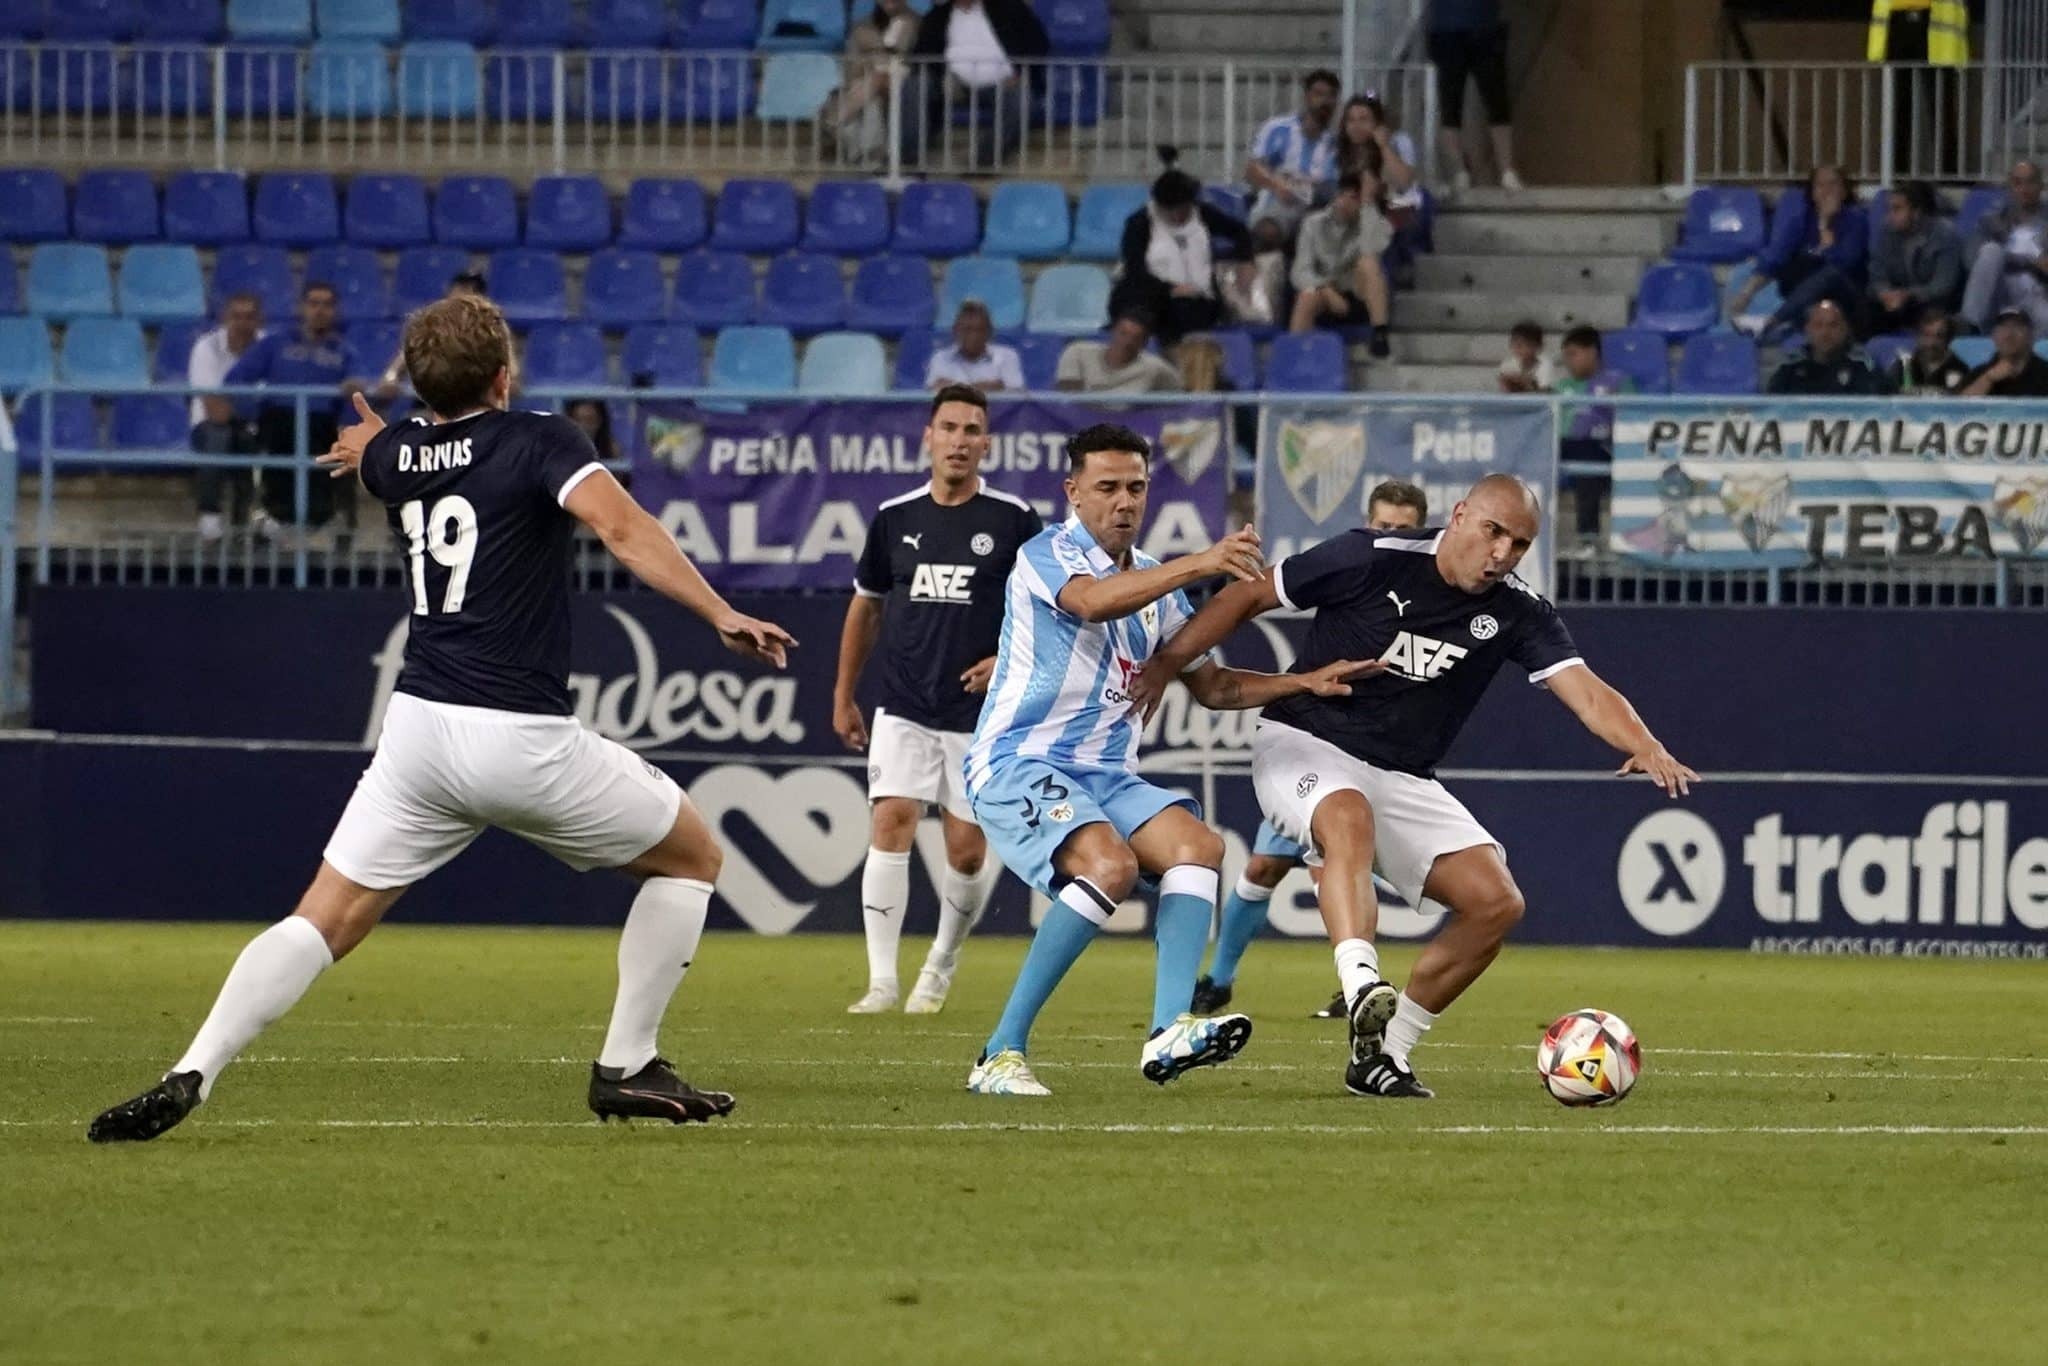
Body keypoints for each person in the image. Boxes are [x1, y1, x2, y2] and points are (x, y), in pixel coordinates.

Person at [87, 293, 798, 1143]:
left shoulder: (398, 459)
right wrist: (718, 612)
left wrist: (369, 440)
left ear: (422, 384)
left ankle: (192, 1069)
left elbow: (385, 449)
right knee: (692, 858)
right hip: (517, 734)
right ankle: (628, 1063)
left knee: (324, 917)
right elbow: (624, 529)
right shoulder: (544, 439)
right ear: (505, 374)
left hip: (419, 735)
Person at [1134, 474, 1697, 1100]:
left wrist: (1642, 742)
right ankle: (1360, 982)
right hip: (1305, 739)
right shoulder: (1369, 556)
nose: (1503, 554)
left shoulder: (1517, 610)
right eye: (1494, 532)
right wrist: (1166, 664)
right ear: (1459, 516)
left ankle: (1381, 1054)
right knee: (1344, 819)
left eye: (1519, 543)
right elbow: (1248, 597)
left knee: (1496, 903)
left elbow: (1585, 690)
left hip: (1401, 774)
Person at [960, 426, 1377, 1096]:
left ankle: (1168, 1030)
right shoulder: (1047, 553)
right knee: (1111, 865)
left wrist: (1302, 682)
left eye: (1136, 487)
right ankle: (999, 1053)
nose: (1124, 502)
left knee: (1199, 847)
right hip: (1018, 760)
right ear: (1073, 492)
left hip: (1104, 773)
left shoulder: (1157, 586)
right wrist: (1205, 563)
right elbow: (1093, 602)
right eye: (1107, 488)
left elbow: (1213, 687)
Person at [835, 385, 1042, 1015]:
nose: (959, 440)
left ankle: (940, 965)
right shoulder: (895, 517)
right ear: (928, 436)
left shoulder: (1014, 521)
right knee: (890, 821)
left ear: (987, 443)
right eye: (948, 427)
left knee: (966, 849)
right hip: (903, 704)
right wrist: (845, 694)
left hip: (980, 716)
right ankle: (881, 982)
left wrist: (1006, 662)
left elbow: (1043, 613)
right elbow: (866, 606)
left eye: (971, 429)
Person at [1190, 479, 1430, 1021]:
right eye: (1383, 527)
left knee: (1338, 864)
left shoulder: (1432, 598)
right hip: (1316, 742)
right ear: (1368, 525)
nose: (1390, 538)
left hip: (1377, 757)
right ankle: (1221, 980)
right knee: (1263, 868)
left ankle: (1356, 982)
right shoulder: (1350, 575)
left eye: (1404, 530)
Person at [224, 280, 364, 539]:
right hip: (278, 421)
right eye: (313, 303)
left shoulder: (346, 352)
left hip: (323, 425)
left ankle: (318, 519)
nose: (319, 310)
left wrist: (348, 419)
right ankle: (275, 517)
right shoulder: (275, 344)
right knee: (278, 438)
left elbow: (355, 393)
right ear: (302, 307)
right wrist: (252, 413)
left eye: (326, 305)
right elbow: (235, 380)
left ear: (335, 311)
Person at [1110, 154, 1254, 346]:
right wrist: (1171, 289)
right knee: (1132, 298)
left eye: (1183, 210)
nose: (1178, 217)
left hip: (1197, 299)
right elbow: (1135, 269)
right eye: (1171, 211)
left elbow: (1240, 231)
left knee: (1186, 312)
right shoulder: (1139, 223)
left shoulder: (1204, 214)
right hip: (1153, 295)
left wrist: (1245, 259)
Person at [899, 0, 1049, 172]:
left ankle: (982, 162)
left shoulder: (1010, 8)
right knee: (914, 84)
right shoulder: (938, 15)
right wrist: (938, 75)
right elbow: (921, 56)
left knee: (1022, 101)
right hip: (954, 84)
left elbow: (1040, 44)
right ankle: (908, 159)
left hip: (1002, 83)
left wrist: (1022, 73)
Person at [1733, 165, 1869, 339]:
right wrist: (1746, 294)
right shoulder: (1801, 220)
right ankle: (1802, 323)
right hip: (1811, 299)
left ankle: (1772, 322)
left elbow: (1843, 262)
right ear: (1812, 193)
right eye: (1820, 185)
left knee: (1831, 273)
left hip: (1847, 298)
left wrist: (1825, 225)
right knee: (1791, 268)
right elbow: (1775, 257)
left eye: (1833, 184)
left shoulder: (1857, 220)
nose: (1827, 191)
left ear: (1844, 191)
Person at [1289, 169, 1394, 359]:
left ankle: (1380, 333)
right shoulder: (1312, 224)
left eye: (1354, 198)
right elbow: (1300, 272)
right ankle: (1296, 361)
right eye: (1342, 195)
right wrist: (1326, 289)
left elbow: (1373, 247)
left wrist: (1368, 206)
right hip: (1325, 293)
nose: (1345, 202)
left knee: (1368, 262)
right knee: (1306, 297)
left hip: (1358, 295)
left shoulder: (1376, 223)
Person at [187, 291, 264, 541]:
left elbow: (271, 404)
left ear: (259, 320)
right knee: (218, 434)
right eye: (236, 317)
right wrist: (248, 406)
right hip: (209, 427)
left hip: (254, 426)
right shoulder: (205, 348)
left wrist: (238, 406)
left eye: (249, 317)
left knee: (264, 436)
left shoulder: (268, 347)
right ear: (225, 318)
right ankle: (210, 514)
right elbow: (216, 412)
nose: (243, 323)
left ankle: (251, 521)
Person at [1428, 0, 1522, 193]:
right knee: (1450, 106)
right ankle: (1460, 171)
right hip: (1447, 28)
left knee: (1497, 101)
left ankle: (1506, 171)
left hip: (1484, 25)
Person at [1244, 68, 1340, 253]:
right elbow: (1252, 169)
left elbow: (1332, 186)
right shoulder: (1277, 128)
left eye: (1331, 96)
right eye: (1319, 94)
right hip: (1278, 205)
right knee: (1267, 231)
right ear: (1306, 96)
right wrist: (1276, 184)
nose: (1324, 101)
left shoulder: (1336, 143)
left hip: (1317, 210)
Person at [1554, 325, 1635, 534]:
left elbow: (1632, 419)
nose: (1568, 361)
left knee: (1586, 457)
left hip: (1604, 447)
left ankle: (1587, 538)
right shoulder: (1562, 386)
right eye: (1566, 356)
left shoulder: (1618, 382)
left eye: (1573, 354)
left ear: (1592, 351)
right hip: (1563, 446)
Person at [823, 0, 918, 165]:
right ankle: (867, 156)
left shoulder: (914, 22)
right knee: (872, 101)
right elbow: (852, 61)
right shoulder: (862, 25)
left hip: (903, 80)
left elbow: (902, 52)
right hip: (865, 80)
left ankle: (835, 119)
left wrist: (875, 53)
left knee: (878, 77)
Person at [1961, 162, 2048, 335]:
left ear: (2042, 185)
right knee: (1991, 251)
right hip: (1997, 296)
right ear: (2009, 187)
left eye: (2031, 182)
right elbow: (1971, 259)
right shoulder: (1991, 221)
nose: (2024, 188)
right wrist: (2030, 262)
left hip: (2037, 296)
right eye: (2018, 183)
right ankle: (1970, 325)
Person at [1866, 182, 1964, 336]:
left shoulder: (1944, 234)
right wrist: (1885, 292)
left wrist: (1907, 295)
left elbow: (1943, 285)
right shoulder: (1887, 230)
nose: (1890, 215)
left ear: (1916, 212)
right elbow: (1877, 272)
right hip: (1897, 302)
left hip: (1933, 303)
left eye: (1897, 209)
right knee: (1866, 305)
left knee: (1933, 312)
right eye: (1889, 209)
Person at [378, 272, 487, 399]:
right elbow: (403, 361)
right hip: (432, 398)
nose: (464, 296)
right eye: (461, 289)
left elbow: (509, 374)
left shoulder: (491, 332)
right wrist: (391, 378)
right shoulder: (430, 326)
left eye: (473, 291)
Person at [1766, 300, 1886, 395]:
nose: (1825, 332)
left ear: (1845, 330)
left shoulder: (1863, 364)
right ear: (1807, 330)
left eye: (1833, 325)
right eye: (1818, 326)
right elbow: (1771, 406)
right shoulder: (1790, 364)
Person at [1054, 310, 1182, 394]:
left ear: (1144, 344)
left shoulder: (1155, 368)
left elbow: (1181, 394)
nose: (1127, 342)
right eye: (1123, 333)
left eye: (1136, 338)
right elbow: (1066, 399)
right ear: (1113, 331)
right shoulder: (1077, 352)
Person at [925, 299, 1024, 391]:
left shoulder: (1007, 356)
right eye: (967, 329)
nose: (973, 336)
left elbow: (1016, 394)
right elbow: (933, 392)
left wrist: (954, 388)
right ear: (955, 331)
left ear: (990, 332)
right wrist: (986, 388)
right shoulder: (940, 358)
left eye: (979, 330)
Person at [1961, 307, 2048, 397]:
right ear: (1994, 336)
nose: (2009, 334)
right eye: (2003, 327)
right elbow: (1959, 407)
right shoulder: (1980, 373)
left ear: (2031, 336)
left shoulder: (2045, 373)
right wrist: (1989, 379)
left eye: (2017, 326)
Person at [1889, 310, 1971, 395]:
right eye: (1926, 335)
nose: (1931, 343)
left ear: (1948, 340)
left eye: (1939, 336)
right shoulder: (1903, 366)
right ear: (1918, 337)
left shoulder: (1960, 369)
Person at [1496, 319, 1553, 393]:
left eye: (1528, 345)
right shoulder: (1508, 364)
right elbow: (1504, 390)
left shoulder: (1545, 365)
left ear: (1538, 347)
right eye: (1517, 345)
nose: (1522, 350)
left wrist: (1525, 382)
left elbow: (1545, 391)